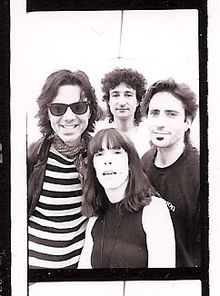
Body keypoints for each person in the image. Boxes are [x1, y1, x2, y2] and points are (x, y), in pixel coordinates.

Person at [27, 69, 101, 269]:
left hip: (77, 272)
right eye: (58, 109)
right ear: (47, 112)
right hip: (32, 272)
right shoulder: (31, 157)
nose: (69, 117)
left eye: (78, 107)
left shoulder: (99, 156)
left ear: (90, 110)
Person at [78, 128, 175, 268]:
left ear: (130, 163)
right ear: (93, 166)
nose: (107, 161)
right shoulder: (95, 217)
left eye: (117, 153)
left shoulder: (154, 210)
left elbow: (162, 281)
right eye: (99, 155)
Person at [140, 78, 200, 267]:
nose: (160, 123)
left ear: (187, 122)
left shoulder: (201, 173)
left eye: (171, 114)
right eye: (154, 113)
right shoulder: (144, 162)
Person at [99, 67, 150, 157]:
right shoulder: (99, 134)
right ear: (108, 100)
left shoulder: (148, 135)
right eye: (115, 95)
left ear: (138, 100)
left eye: (128, 95)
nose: (122, 102)